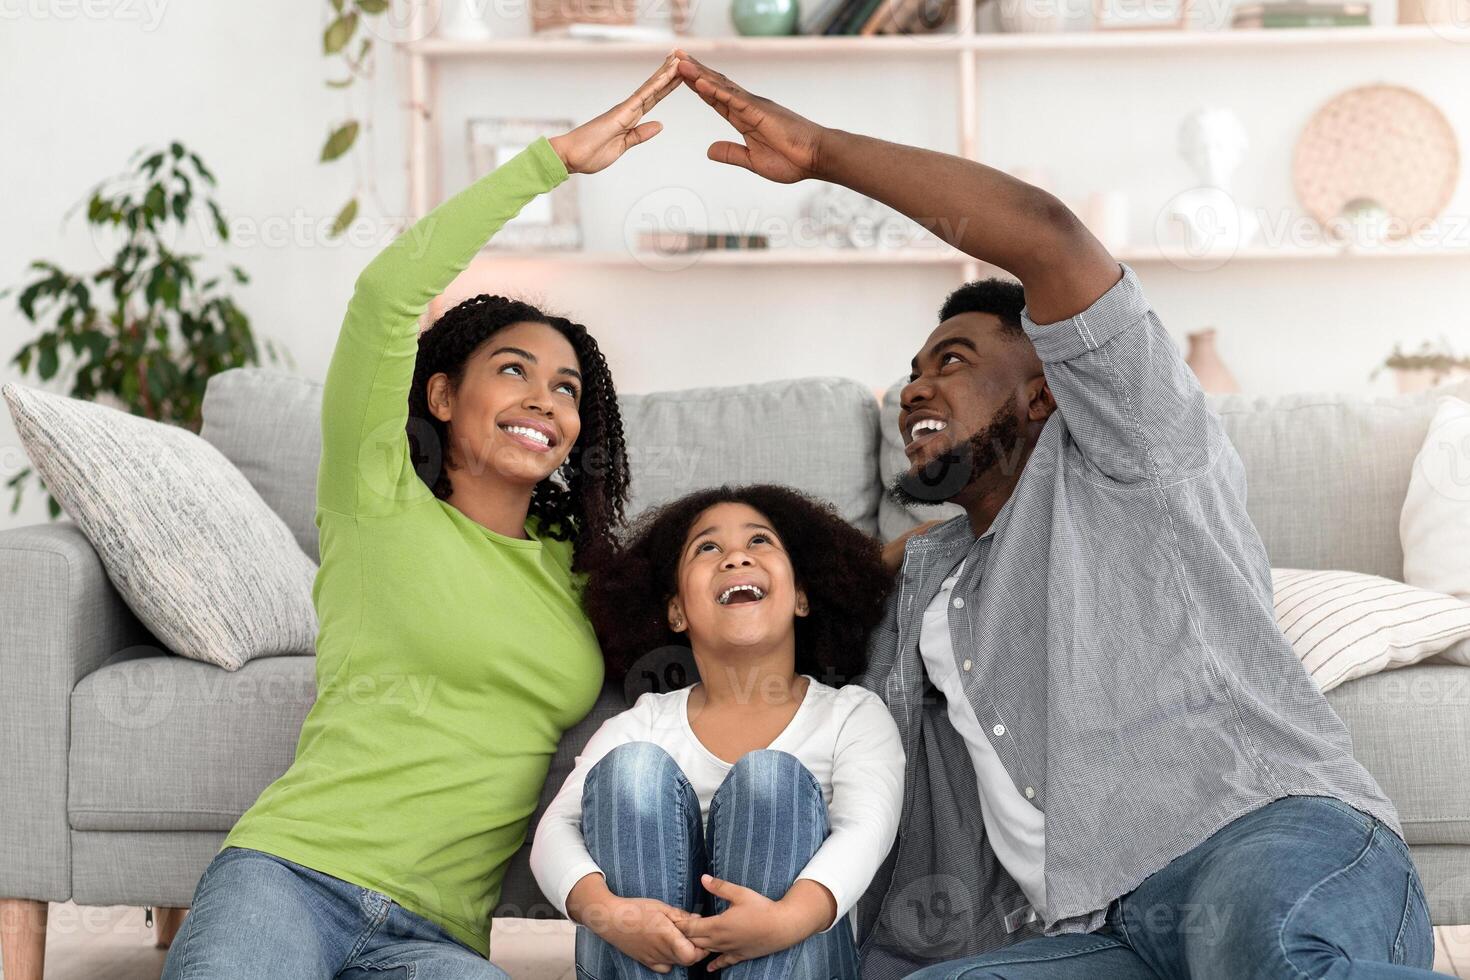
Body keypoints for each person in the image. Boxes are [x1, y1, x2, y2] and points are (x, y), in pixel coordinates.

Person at [671, 52, 1439, 980]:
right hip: (1090, 931)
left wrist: (825, 150)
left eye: (951, 359)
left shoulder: (1137, 454)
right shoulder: (929, 575)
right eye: (911, 370)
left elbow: (1047, 234)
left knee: (1278, 960)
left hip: (1252, 841)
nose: (915, 385)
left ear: (1044, 393)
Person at [159, 56, 684, 979]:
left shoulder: (581, 572)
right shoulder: (378, 499)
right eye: (513, 370)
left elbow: (727, 603)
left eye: (567, 388)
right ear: (443, 394)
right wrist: (548, 165)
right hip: (290, 876)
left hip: (435, 939)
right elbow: (383, 297)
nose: (544, 399)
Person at [530, 485, 905, 978]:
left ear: (800, 597)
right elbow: (553, 833)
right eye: (707, 548)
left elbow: (866, 831)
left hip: (793, 956)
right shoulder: (641, 723)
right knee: (631, 771)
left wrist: (787, 920)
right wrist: (613, 913)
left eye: (760, 542)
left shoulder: (852, 714)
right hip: (646, 963)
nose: (734, 558)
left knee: (769, 780)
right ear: (676, 612)